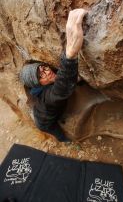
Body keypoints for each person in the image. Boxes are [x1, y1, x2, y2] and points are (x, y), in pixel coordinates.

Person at [19, 9, 87, 142]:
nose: (47, 71)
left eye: (43, 67)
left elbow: (61, 79)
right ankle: (65, 141)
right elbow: (61, 89)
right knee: (57, 131)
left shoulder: (45, 87)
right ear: (40, 84)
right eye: (41, 75)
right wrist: (70, 56)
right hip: (44, 123)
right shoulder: (47, 97)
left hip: (43, 112)